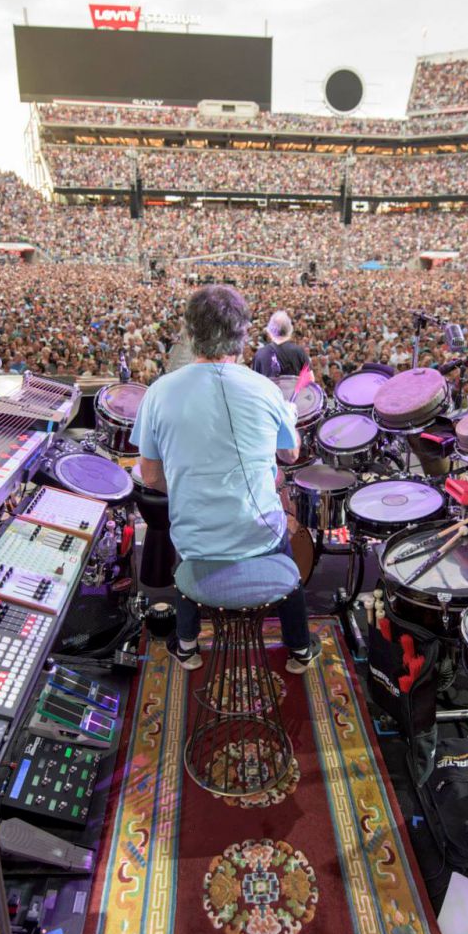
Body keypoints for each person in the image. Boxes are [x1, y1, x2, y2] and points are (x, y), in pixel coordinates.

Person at [132, 286, 314, 674]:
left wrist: (189, 486)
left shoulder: (159, 392)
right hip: (259, 536)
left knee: (188, 542)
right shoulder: (264, 389)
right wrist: (289, 421)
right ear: (244, 335)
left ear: (191, 332)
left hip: (196, 538)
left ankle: (186, 645)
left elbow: (149, 475)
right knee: (280, 537)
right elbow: (290, 456)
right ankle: (299, 648)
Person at [251, 310, 310, 378]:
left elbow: (255, 380)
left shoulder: (260, 353)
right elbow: (310, 379)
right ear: (289, 330)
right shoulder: (299, 351)